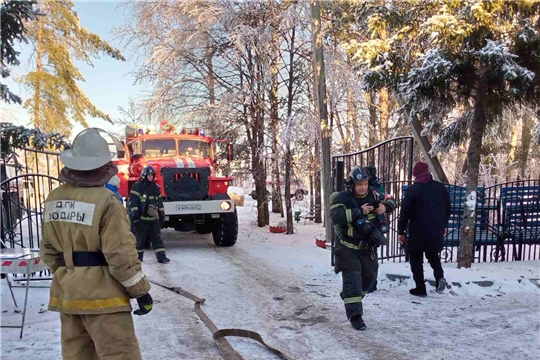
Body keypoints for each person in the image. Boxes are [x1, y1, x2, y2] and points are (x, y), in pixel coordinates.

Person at [40, 129, 153, 360]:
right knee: (119, 355)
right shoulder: (106, 201)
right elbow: (120, 254)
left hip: (68, 296)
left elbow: (48, 251)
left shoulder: (54, 198)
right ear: (103, 166)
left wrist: (71, 274)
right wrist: (141, 292)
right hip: (105, 300)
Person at [330, 165, 396, 330]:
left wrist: (385, 206)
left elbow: (392, 199)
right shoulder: (342, 198)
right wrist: (358, 211)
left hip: (367, 248)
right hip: (347, 247)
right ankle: (355, 316)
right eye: (359, 184)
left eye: (365, 184)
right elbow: (335, 216)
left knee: (370, 277)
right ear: (352, 184)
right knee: (352, 279)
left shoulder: (374, 194)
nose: (363, 187)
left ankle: (350, 297)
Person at [398, 162, 451, 296]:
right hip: (436, 229)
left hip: (417, 231)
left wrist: (401, 231)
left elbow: (405, 212)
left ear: (415, 175)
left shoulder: (413, 190)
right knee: (433, 255)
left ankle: (420, 288)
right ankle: (439, 277)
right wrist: (443, 225)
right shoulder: (440, 188)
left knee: (415, 258)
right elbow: (448, 209)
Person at [129, 165, 170, 263]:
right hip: (142, 219)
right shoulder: (137, 186)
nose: (151, 177)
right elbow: (133, 202)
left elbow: (159, 203)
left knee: (157, 239)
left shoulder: (155, 187)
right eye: (149, 175)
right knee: (140, 241)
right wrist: (135, 215)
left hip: (154, 220)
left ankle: (161, 257)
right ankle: (138, 258)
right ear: (144, 175)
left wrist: (161, 216)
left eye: (152, 175)